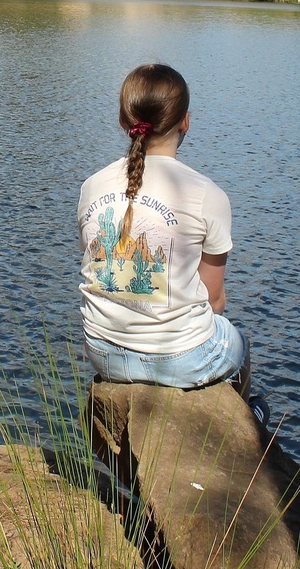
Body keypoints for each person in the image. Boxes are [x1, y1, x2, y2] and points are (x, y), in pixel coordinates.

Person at [77, 64, 249, 393]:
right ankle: (250, 422)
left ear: (123, 121)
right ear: (185, 120)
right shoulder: (207, 195)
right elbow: (213, 299)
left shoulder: (91, 186)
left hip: (102, 352)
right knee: (238, 341)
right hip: (180, 360)